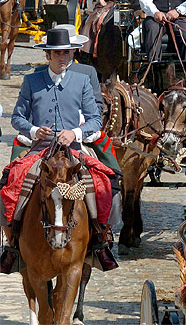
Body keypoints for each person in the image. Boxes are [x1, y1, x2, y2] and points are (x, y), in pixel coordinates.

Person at [0, 28, 118, 274]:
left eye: (66, 53)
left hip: (74, 147)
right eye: (57, 54)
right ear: (48, 56)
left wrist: (74, 133)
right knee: (12, 181)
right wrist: (34, 131)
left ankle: (98, 237)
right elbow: (18, 118)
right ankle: (13, 242)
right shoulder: (31, 81)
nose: (62, 58)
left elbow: (95, 119)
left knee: (99, 183)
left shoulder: (83, 80)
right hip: (41, 148)